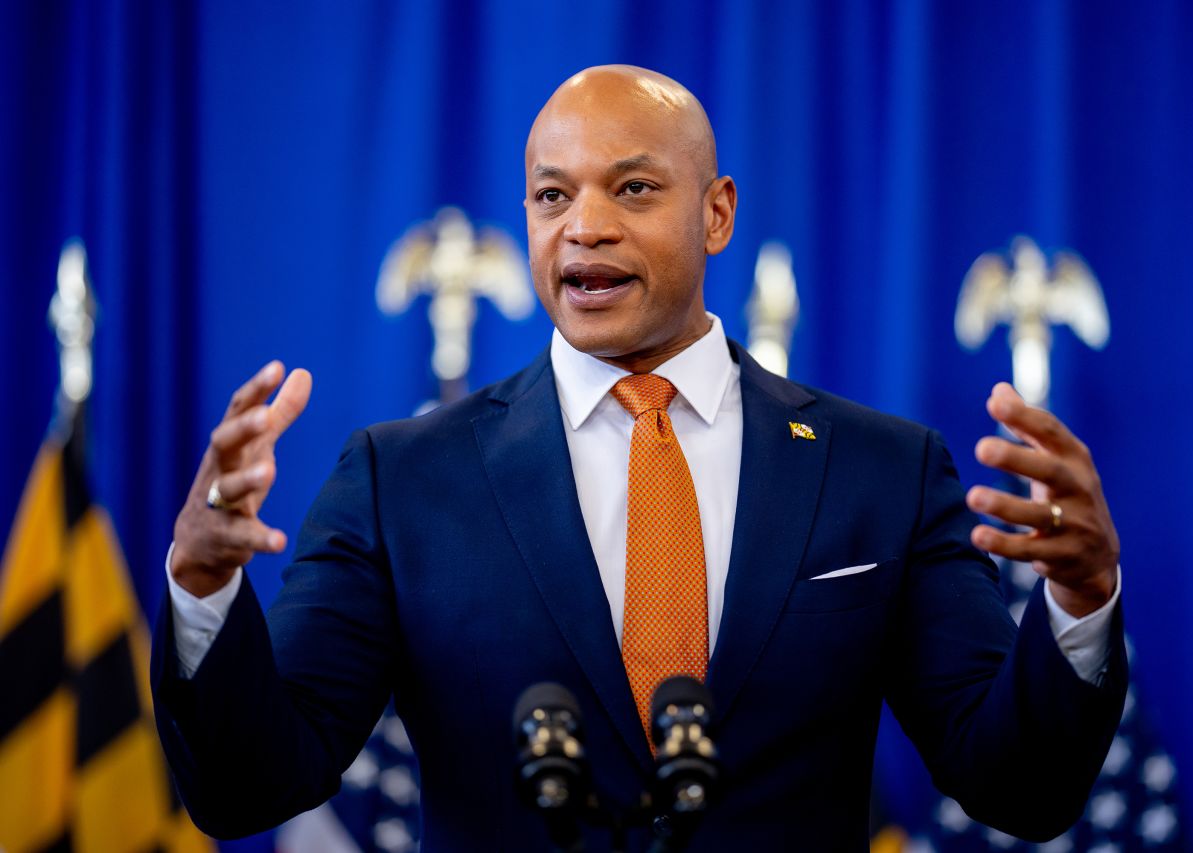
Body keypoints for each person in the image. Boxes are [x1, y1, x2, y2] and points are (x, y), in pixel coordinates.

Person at [154, 66, 1126, 850]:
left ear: (715, 213)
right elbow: (251, 784)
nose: (584, 225)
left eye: (630, 188)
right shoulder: (398, 478)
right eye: (550, 194)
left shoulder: (881, 469)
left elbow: (1016, 787)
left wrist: (1078, 603)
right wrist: (203, 591)